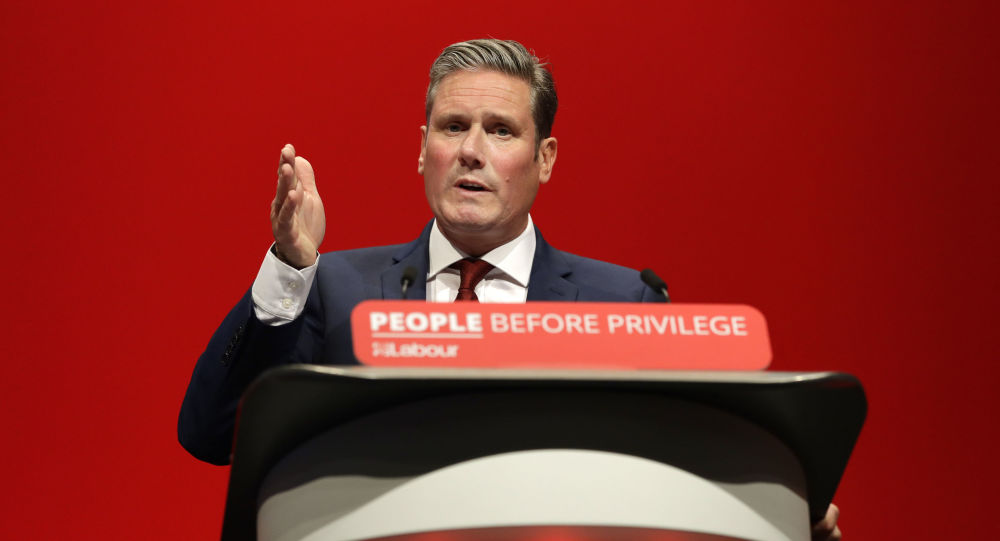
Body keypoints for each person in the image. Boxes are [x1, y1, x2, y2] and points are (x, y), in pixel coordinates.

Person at [178, 38, 840, 540]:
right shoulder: (335, 288)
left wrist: (771, 508)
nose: (472, 150)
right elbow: (212, 432)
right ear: (422, 149)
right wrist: (290, 266)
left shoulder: (622, 302)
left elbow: (672, 473)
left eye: (500, 130)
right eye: (453, 127)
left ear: (544, 158)